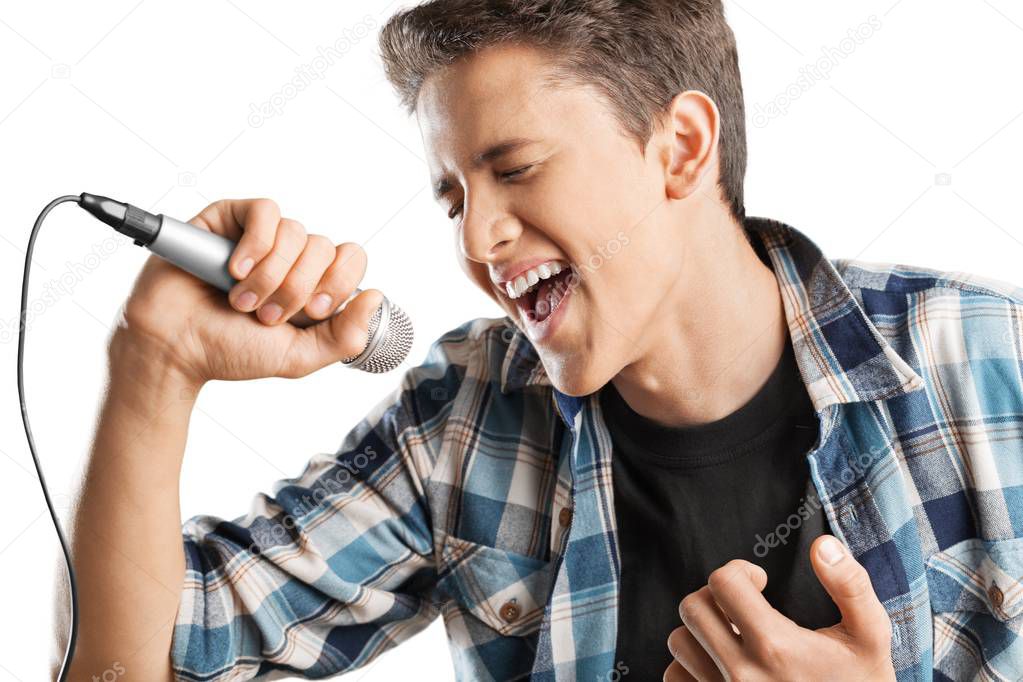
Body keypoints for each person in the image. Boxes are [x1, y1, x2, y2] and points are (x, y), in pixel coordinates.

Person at [59, 1, 1023, 680]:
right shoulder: (462, 420)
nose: (476, 242)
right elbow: (127, 666)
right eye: (453, 199)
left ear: (680, 147)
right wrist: (156, 366)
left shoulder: (992, 362)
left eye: (514, 169)